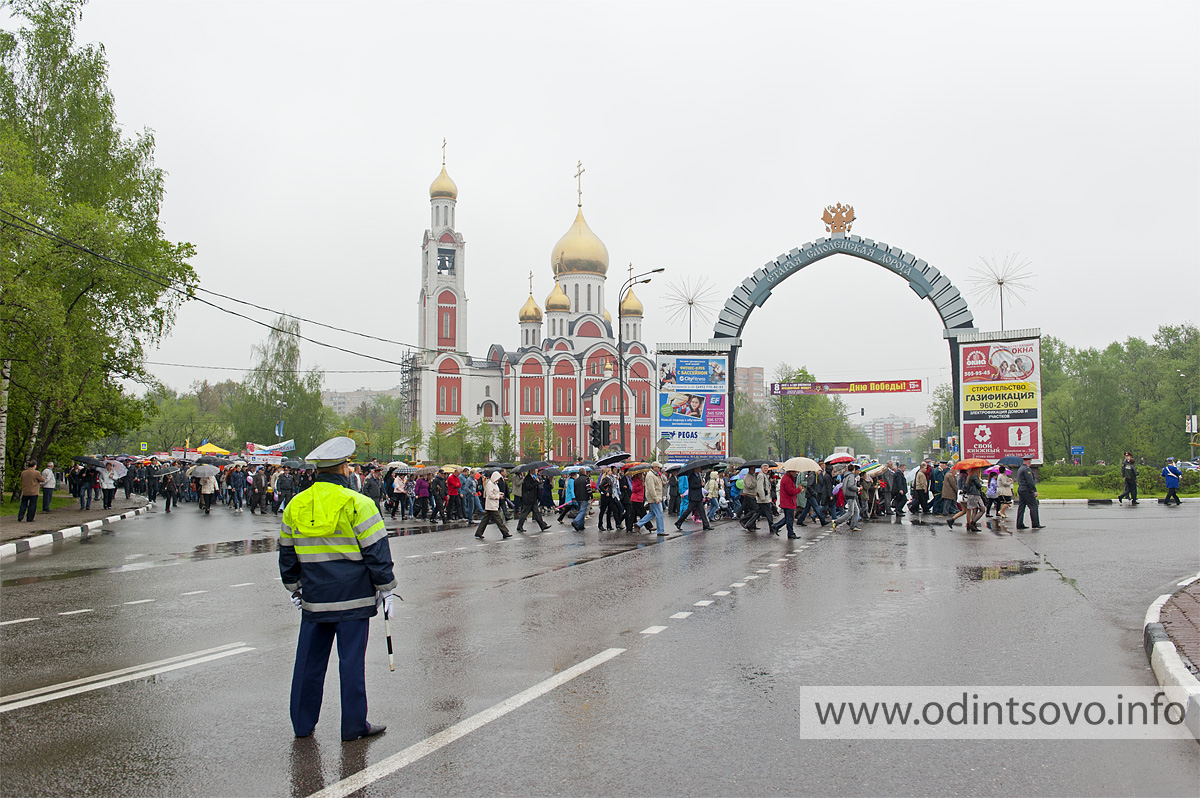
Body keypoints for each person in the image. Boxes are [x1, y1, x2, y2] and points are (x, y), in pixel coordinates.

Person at [279, 436, 395, 742]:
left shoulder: (296, 505)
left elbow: (287, 553)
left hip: (315, 599)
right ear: (344, 468)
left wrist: (294, 587)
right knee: (351, 664)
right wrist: (386, 588)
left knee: (308, 664)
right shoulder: (359, 503)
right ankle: (354, 725)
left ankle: (302, 724)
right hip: (353, 599)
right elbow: (376, 552)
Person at [475, 469, 512, 539]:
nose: (498, 480)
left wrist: (499, 493)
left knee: (485, 520)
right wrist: (498, 496)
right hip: (491, 505)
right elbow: (490, 495)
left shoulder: (494, 484)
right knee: (498, 520)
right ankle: (505, 532)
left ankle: (479, 532)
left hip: (492, 505)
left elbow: (494, 492)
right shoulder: (490, 484)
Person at [516, 468, 551, 532]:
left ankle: (542, 525)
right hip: (528, 499)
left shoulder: (533, 477)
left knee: (537, 513)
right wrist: (536, 482)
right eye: (534, 470)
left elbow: (535, 488)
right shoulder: (527, 478)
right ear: (531, 471)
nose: (535, 471)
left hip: (533, 499)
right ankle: (519, 526)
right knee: (524, 513)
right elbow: (529, 487)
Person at [771, 468, 802, 538]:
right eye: (794, 472)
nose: (795, 473)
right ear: (791, 472)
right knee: (789, 519)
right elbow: (791, 491)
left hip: (787, 501)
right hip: (788, 502)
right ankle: (790, 533)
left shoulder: (787, 478)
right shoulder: (787, 479)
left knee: (788, 518)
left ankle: (776, 526)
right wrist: (798, 490)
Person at [831, 464, 862, 532]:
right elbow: (850, 486)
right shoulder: (851, 476)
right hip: (850, 495)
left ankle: (853, 525)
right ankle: (836, 522)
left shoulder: (846, 476)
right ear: (854, 470)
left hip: (849, 495)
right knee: (850, 512)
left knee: (856, 511)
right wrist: (857, 489)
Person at [636, 462, 665, 534]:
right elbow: (651, 488)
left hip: (655, 497)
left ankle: (639, 524)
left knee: (653, 513)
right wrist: (656, 498)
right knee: (659, 514)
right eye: (658, 467)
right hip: (654, 498)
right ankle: (660, 531)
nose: (659, 469)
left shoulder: (655, 475)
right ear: (654, 467)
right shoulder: (650, 475)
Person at [1015, 456, 1044, 529]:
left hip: (1021, 488)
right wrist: (1034, 490)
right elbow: (1030, 481)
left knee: (1021, 507)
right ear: (1029, 461)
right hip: (1027, 490)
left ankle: (1019, 524)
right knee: (1033, 506)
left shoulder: (1020, 468)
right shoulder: (1026, 469)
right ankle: (1035, 523)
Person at [570, 467, 592, 531]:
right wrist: (590, 495)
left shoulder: (576, 480)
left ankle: (581, 525)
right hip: (584, 497)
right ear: (584, 472)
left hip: (578, 497)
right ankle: (576, 521)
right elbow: (588, 488)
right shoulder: (586, 479)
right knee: (583, 511)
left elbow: (574, 489)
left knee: (581, 510)